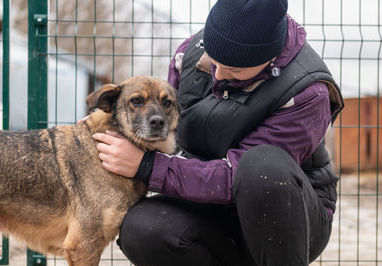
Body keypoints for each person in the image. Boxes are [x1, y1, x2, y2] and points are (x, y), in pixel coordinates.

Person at [92, 0, 344, 265]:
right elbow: (168, 129)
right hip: (208, 205)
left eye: (234, 70)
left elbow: (235, 177)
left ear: (269, 59)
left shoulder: (307, 92)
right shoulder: (188, 55)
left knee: (261, 168)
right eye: (213, 62)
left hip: (286, 218)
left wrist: (147, 167)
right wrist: (105, 128)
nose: (219, 75)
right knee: (143, 229)